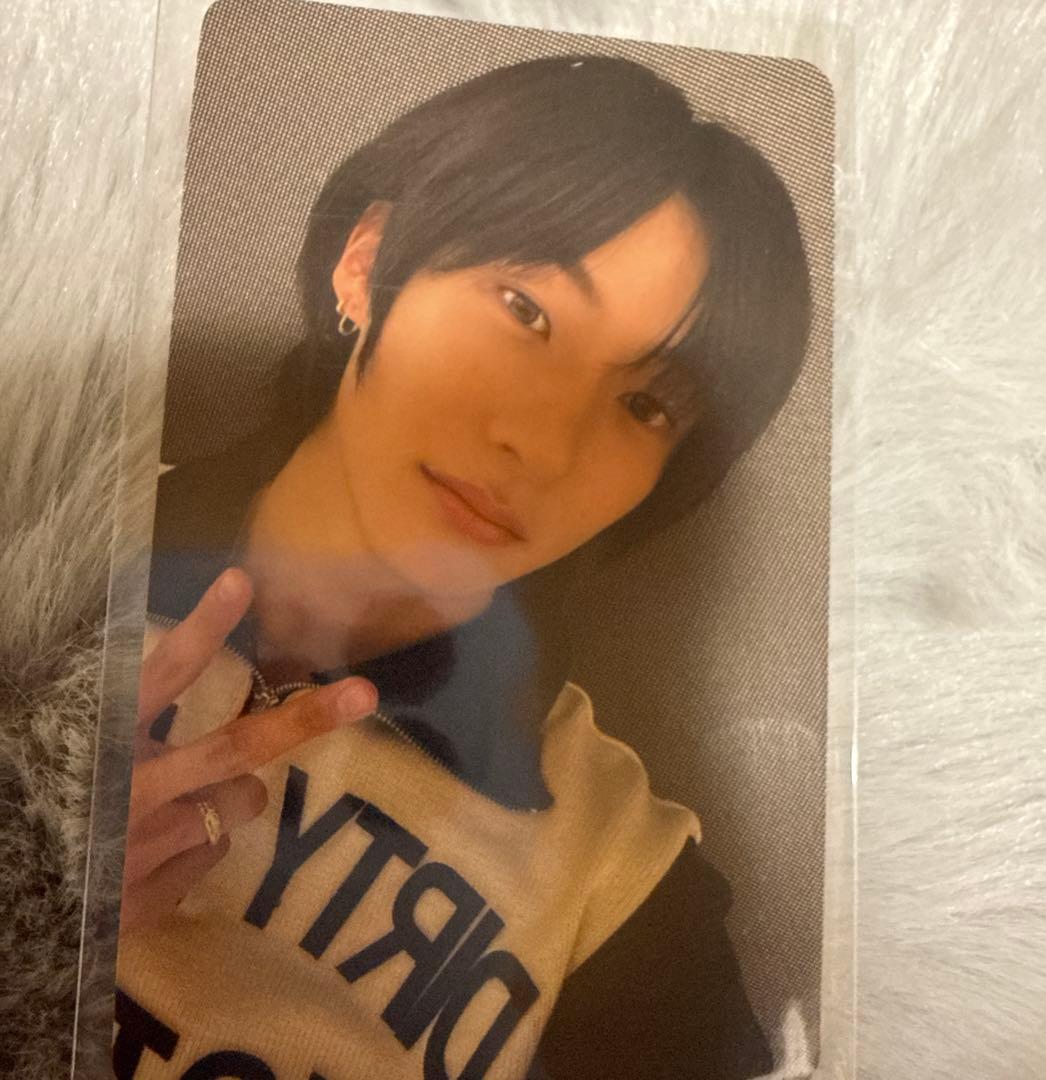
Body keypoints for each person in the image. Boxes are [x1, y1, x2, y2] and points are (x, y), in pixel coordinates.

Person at [114, 54, 811, 1080]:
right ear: (367, 264)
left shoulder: (615, 870)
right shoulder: (44, 537)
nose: (544, 443)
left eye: (645, 405)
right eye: (526, 310)